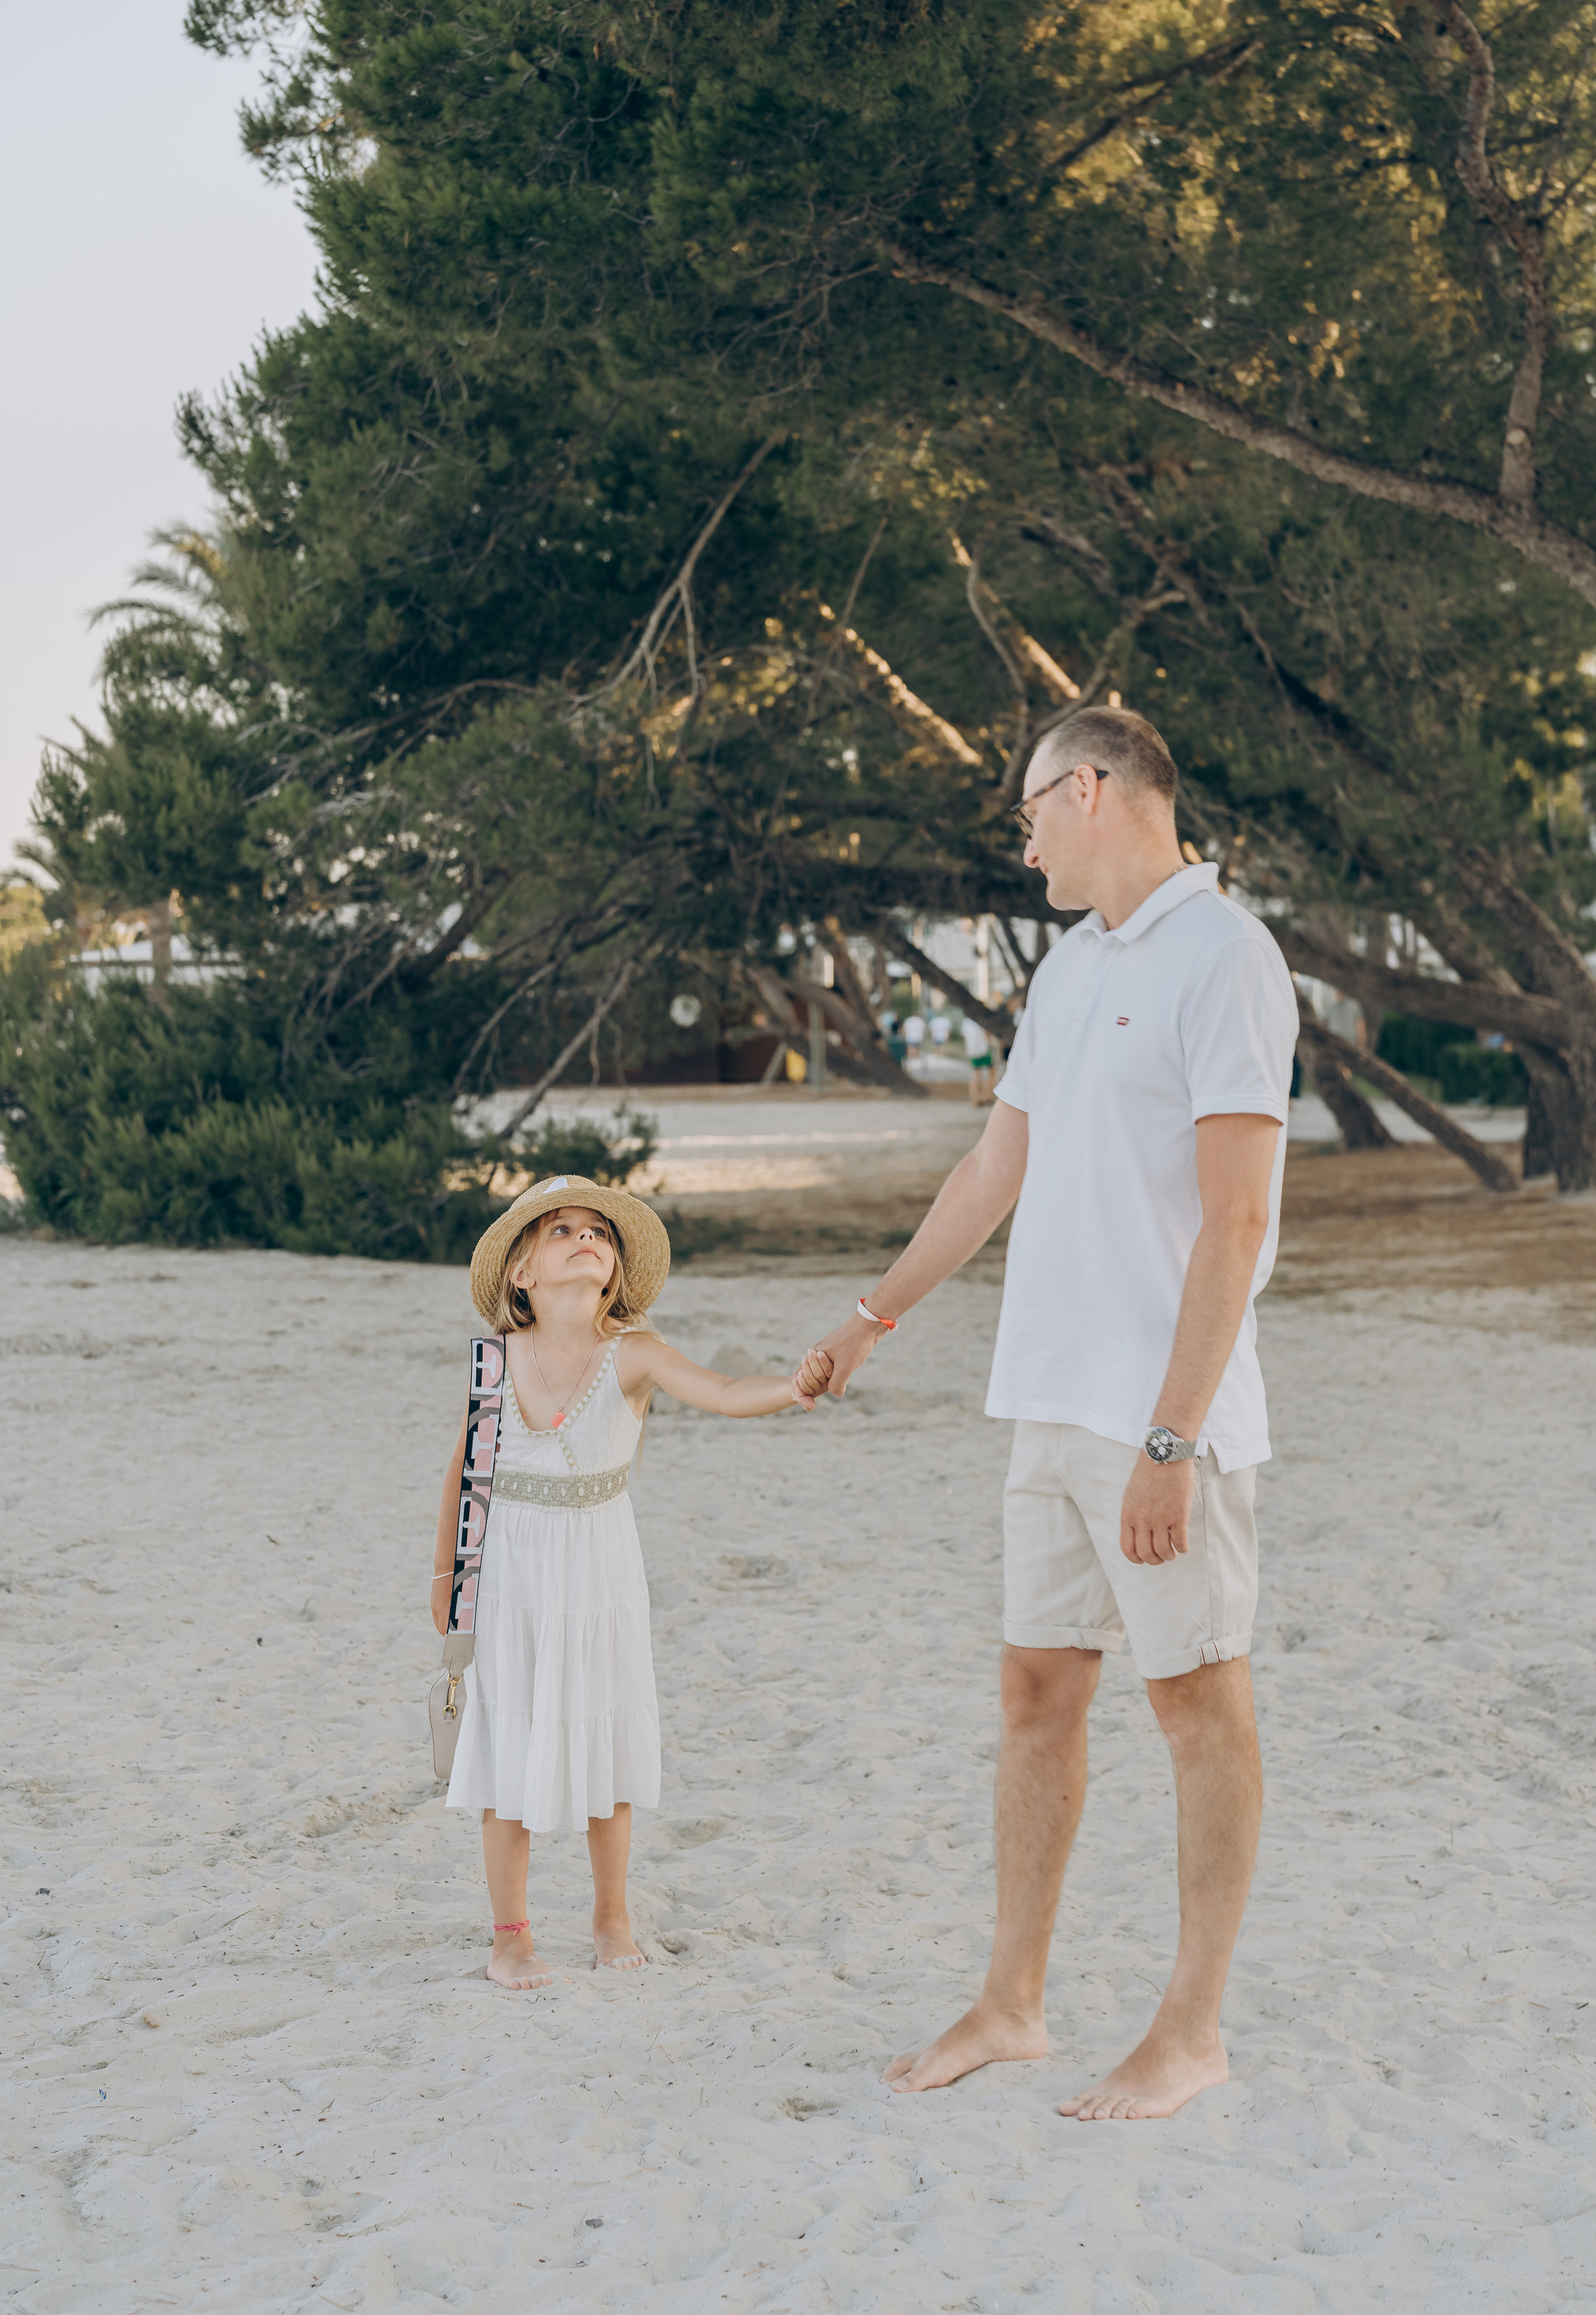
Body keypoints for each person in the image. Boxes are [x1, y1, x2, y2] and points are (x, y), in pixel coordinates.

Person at [796, 705, 1297, 2120]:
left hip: (1159, 1419)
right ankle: (1011, 2003)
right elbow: (988, 1169)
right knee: (1035, 1698)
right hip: (1047, 1406)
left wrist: (1169, 1433)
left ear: (1090, 787)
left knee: (1196, 1708)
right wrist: (869, 1315)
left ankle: (1188, 2030)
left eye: (1027, 814)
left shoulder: (1228, 958)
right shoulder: (1070, 967)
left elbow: (1236, 1218)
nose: (1020, 846)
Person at [435, 1174, 829, 1991]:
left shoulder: (636, 1355)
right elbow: (461, 1475)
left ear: (613, 1271)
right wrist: (446, 1577)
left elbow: (722, 1393)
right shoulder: (492, 1363)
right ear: (521, 1274)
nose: (586, 1240)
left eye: (599, 1234)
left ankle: (611, 1914)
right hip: (512, 1575)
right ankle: (510, 1936)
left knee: (604, 1744)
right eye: (561, 1231)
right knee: (508, 1748)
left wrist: (791, 1387)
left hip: (600, 1572)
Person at [964, 1016, 995, 1107]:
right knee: (992, 1072)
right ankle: (985, 1096)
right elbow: (987, 1034)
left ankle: (975, 1099)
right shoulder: (981, 1019)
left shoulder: (967, 1021)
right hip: (983, 1050)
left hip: (972, 1051)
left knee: (976, 1074)